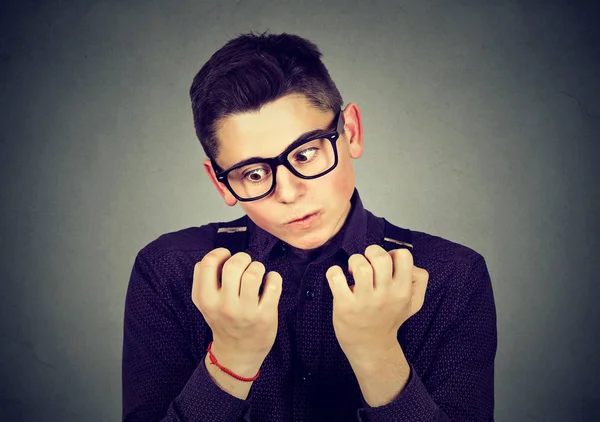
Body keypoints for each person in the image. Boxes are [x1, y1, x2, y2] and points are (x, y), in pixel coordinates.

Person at [121, 31, 497, 422]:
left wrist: (377, 352)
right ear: (221, 183)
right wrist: (232, 357)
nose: (288, 192)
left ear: (351, 131)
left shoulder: (452, 277)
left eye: (305, 153)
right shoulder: (169, 271)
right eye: (253, 173)